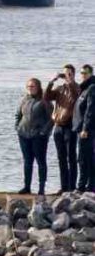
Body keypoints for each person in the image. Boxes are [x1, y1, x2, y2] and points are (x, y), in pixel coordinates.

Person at [17, 77, 53, 196]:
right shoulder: (24, 99)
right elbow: (18, 115)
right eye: (28, 86)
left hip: (39, 136)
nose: (30, 89)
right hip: (24, 134)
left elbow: (52, 118)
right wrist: (17, 127)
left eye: (32, 86)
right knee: (27, 161)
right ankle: (27, 187)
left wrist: (44, 132)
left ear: (38, 87)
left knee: (41, 162)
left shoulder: (44, 101)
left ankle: (41, 188)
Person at [49, 64, 81, 194]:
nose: (67, 75)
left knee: (71, 157)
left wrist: (70, 81)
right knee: (61, 157)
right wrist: (52, 81)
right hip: (58, 126)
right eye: (65, 73)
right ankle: (64, 186)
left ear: (73, 74)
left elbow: (74, 95)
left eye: (69, 73)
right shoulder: (60, 89)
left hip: (70, 126)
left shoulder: (77, 88)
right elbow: (47, 97)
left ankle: (72, 187)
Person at [79, 66, 95, 193]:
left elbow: (90, 110)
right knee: (83, 157)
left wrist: (85, 128)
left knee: (87, 157)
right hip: (82, 128)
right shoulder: (84, 87)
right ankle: (83, 185)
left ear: (90, 74)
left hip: (88, 129)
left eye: (85, 73)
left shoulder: (92, 87)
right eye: (81, 73)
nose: (82, 75)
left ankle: (89, 186)